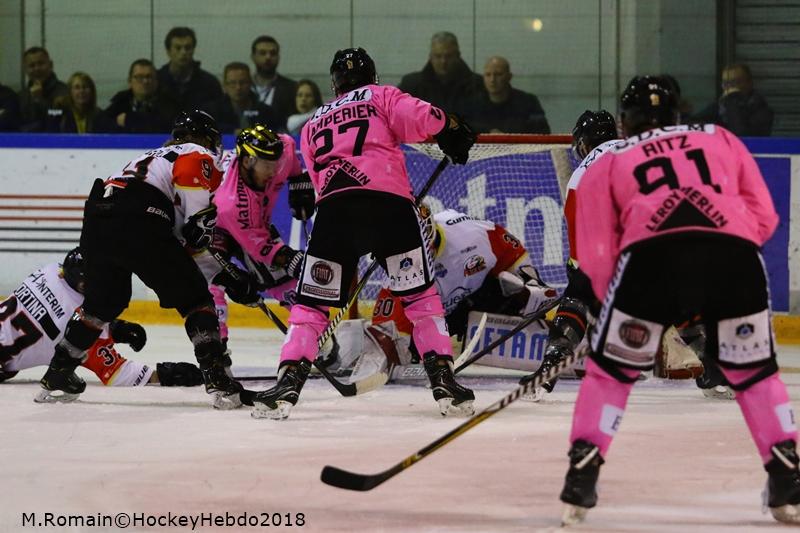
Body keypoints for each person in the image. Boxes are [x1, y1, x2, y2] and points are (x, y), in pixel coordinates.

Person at [558, 76, 798, 526]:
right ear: (677, 113)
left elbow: (595, 255)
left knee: (611, 376)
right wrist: (723, 263)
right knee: (755, 374)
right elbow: (765, 218)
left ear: (625, 122)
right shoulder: (720, 137)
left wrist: (615, 307)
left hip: (651, 264)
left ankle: (582, 475)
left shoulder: (608, 162)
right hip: (734, 261)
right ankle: (786, 478)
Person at [250, 47, 477, 420]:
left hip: (335, 214)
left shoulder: (312, 122)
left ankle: (286, 383)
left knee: (311, 307)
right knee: (420, 299)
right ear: (372, 75)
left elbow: (318, 180)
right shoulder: (382, 95)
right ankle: (444, 381)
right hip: (389, 208)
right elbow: (425, 118)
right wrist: (450, 125)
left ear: (334, 83)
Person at [37, 110, 251, 409]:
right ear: (207, 138)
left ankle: (57, 373)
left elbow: (179, 244)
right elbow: (193, 233)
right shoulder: (196, 152)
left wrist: (225, 275)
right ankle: (219, 380)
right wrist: (228, 272)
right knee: (196, 300)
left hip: (98, 218)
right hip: (139, 216)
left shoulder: (152, 157)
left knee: (102, 304)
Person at [327, 207, 558, 379]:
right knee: (404, 344)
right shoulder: (397, 269)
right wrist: (386, 351)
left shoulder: (471, 234)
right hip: (435, 318)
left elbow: (510, 250)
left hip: (477, 298)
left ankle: (549, 333)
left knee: (516, 290)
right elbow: (387, 332)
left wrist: (530, 281)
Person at [1, 248, 203, 392]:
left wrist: (114, 328)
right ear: (84, 285)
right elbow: (117, 372)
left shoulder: (49, 271)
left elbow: (54, 313)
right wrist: (167, 373)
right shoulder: (79, 324)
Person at [518, 110, 619, 398]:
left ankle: (550, 367)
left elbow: (579, 226)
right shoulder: (641, 148)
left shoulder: (583, 171)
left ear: (584, 142)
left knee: (578, 297)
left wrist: (579, 270)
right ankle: (713, 366)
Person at [208, 124, 310, 347]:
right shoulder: (233, 203)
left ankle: (314, 334)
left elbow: (290, 153)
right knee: (212, 278)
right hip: (214, 225)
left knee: (283, 280)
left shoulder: (282, 150)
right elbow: (264, 250)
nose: (273, 171)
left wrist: (300, 183)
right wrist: (295, 260)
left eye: (275, 163)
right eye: (266, 165)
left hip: (255, 224)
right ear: (247, 161)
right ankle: (215, 347)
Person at [398, 32, 484, 116]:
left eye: (448, 56)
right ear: (431, 57)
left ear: (458, 56)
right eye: (438, 56)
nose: (443, 61)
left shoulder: (477, 85)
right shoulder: (411, 86)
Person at [469, 56, 550, 134]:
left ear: (509, 77)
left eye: (498, 74)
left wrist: (509, 139)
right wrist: (488, 132)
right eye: (488, 75)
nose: (492, 80)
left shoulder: (529, 102)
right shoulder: (473, 104)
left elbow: (542, 133)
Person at [693, 64, 773, 137]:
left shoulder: (761, 110)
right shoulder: (719, 107)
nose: (730, 87)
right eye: (725, 83)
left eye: (735, 82)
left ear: (749, 83)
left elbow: (741, 136)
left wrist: (733, 101)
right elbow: (695, 124)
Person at [202, 62, 283, 134]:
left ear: (250, 83)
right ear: (225, 86)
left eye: (243, 82)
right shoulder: (212, 111)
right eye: (232, 83)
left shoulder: (266, 112)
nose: (238, 87)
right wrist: (232, 131)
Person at [105, 59, 179, 133]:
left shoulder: (169, 103)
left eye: (149, 77)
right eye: (139, 77)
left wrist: (130, 120)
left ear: (156, 81)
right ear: (130, 81)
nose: (145, 81)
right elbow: (104, 123)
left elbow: (168, 125)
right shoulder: (121, 101)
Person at [157, 27, 222, 112]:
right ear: (168, 51)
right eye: (178, 48)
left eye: (187, 48)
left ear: (193, 50)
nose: (183, 52)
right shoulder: (156, 82)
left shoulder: (210, 84)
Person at [250, 35, 298, 125]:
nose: (268, 57)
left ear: (278, 57)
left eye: (273, 53)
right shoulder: (243, 86)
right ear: (253, 57)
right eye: (262, 53)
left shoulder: (292, 89)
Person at [18, 47, 68, 132]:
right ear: (25, 70)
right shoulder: (21, 96)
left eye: (41, 64)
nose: (37, 69)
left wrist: (39, 101)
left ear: (51, 65)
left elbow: (58, 115)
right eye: (32, 65)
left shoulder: (64, 92)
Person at [45, 72, 113, 133]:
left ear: (92, 91)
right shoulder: (60, 111)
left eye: (85, 87)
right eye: (77, 88)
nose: (81, 91)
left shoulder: (99, 115)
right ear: (70, 92)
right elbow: (48, 115)